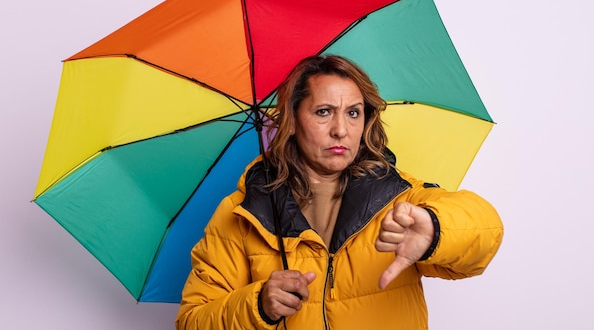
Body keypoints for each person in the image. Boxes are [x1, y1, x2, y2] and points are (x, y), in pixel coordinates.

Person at [175, 55, 503, 329]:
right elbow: (192, 321)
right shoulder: (243, 213)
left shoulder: (398, 199)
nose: (341, 130)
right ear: (292, 119)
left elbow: (485, 230)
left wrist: (435, 229)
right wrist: (257, 305)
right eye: (323, 112)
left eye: (353, 113)